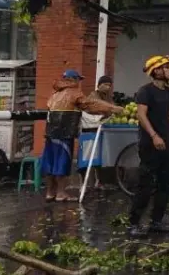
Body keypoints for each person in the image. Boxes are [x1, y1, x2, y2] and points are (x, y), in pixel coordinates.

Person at [128, 56, 169, 236]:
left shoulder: (167, 92)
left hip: (166, 143)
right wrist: (154, 136)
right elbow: (141, 115)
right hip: (149, 143)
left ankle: (156, 222)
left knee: (165, 182)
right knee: (145, 183)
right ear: (157, 71)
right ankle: (134, 223)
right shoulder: (145, 91)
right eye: (166, 67)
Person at [42, 69, 121, 203]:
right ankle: (61, 193)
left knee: (50, 162)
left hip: (50, 134)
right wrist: (113, 108)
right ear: (72, 80)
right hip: (64, 133)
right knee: (62, 163)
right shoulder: (74, 93)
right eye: (78, 79)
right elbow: (90, 105)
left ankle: (50, 193)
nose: (79, 82)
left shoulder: (55, 94)